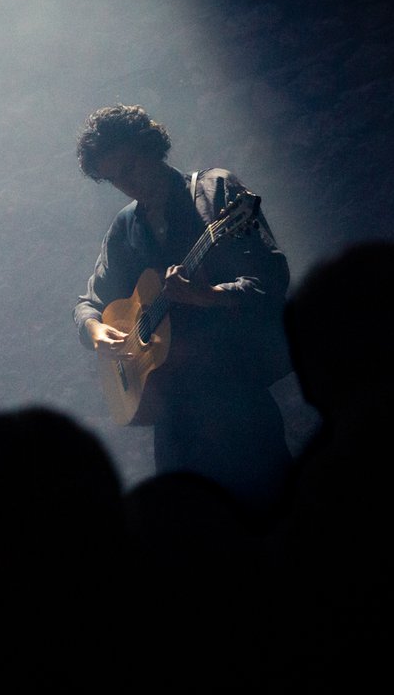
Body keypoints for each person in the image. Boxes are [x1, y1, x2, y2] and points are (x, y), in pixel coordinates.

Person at [73, 104, 292, 514]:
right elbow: (89, 304)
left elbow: (271, 281)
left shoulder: (216, 192)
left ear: (151, 146)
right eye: (113, 178)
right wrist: (95, 330)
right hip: (173, 420)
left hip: (237, 402)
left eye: (129, 167)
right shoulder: (124, 228)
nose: (126, 184)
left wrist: (206, 295)